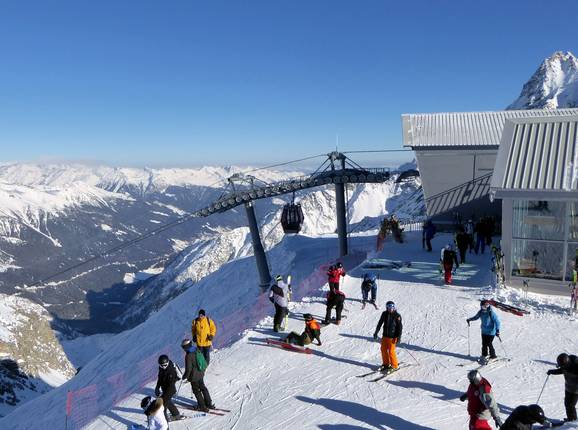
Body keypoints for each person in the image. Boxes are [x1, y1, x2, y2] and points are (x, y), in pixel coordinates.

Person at [181, 338, 214, 412]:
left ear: (186, 347)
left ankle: (202, 407)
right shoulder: (196, 349)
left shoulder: (188, 356)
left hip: (194, 376)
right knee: (203, 387)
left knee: (196, 391)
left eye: (183, 347)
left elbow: (188, 369)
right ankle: (209, 403)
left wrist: (185, 376)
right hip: (201, 373)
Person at [546, 353, 578, 422]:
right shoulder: (565, 366)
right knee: (567, 404)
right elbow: (561, 370)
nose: (561, 367)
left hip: (576, 390)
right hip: (568, 387)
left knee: (571, 405)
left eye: (562, 366)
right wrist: (552, 371)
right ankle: (570, 419)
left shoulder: (576, 367)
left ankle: (573, 421)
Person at [373, 301, 402, 373]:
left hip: (393, 337)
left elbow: (400, 327)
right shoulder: (384, 314)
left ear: (394, 307)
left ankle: (394, 366)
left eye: (392, 307)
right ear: (387, 308)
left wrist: (399, 337)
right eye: (389, 307)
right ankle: (386, 364)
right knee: (383, 350)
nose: (391, 309)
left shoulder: (397, 316)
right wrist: (376, 332)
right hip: (385, 336)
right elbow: (380, 323)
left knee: (391, 351)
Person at [154, 354, 183, 422]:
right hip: (164, 388)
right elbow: (160, 378)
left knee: (163, 405)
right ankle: (176, 415)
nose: (163, 367)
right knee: (168, 402)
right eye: (161, 365)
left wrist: (164, 396)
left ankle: (164, 421)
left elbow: (171, 385)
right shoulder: (161, 368)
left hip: (170, 389)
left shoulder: (171, 370)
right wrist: (157, 387)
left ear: (168, 363)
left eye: (165, 365)